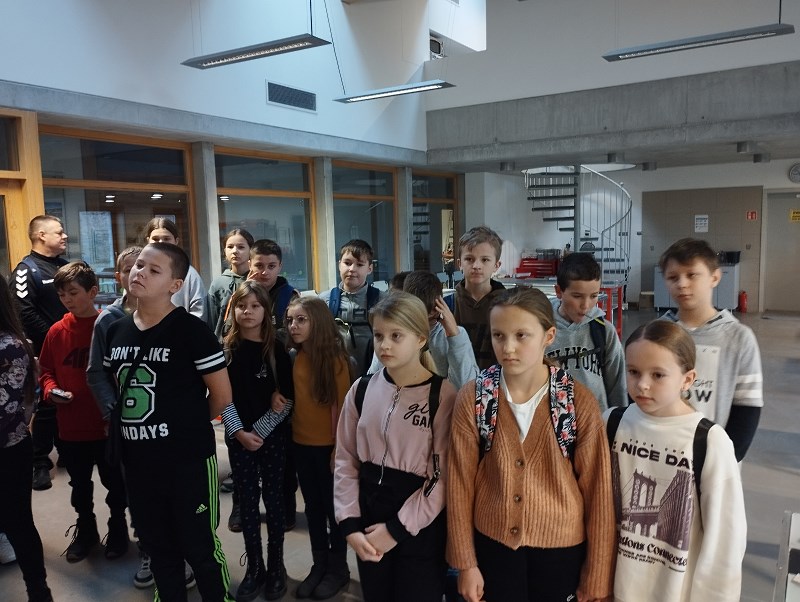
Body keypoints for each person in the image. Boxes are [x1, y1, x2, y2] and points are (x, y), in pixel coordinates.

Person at [447, 287, 615, 602]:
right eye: (498, 335)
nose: (508, 347)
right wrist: (465, 563)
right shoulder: (475, 397)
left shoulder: (576, 401)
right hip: (493, 546)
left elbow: (598, 492)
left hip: (561, 551)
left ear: (548, 336)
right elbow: (459, 483)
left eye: (521, 335)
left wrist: (597, 573)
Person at [103, 242, 234, 601]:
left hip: (187, 461)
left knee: (200, 547)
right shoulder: (116, 331)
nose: (140, 273)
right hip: (138, 462)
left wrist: (186, 424)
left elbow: (222, 397)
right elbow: (119, 388)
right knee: (158, 546)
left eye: (153, 270)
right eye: (139, 265)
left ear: (175, 285)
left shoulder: (192, 331)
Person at [606, 320, 746, 601]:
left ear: (688, 379)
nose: (642, 384)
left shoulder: (709, 441)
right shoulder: (611, 422)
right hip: (613, 589)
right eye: (633, 372)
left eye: (658, 375)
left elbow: (725, 540)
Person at [334, 292, 457, 602]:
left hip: (420, 525)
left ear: (420, 339)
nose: (384, 345)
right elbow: (345, 460)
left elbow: (442, 477)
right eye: (379, 335)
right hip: (368, 516)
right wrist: (349, 523)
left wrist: (396, 530)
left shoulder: (442, 396)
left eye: (396, 336)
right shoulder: (361, 389)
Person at [38, 261, 129, 563]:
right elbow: (46, 371)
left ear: (92, 292)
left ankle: (118, 529)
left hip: (105, 425)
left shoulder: (109, 326)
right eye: (62, 294)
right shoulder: (56, 331)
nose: (67, 299)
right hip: (71, 426)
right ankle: (86, 530)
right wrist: (51, 390)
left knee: (115, 483)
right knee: (79, 485)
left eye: (73, 292)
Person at [219, 281, 293, 602]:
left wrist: (258, 432)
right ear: (233, 310)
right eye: (241, 306)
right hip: (239, 439)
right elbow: (222, 398)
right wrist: (240, 433)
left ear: (266, 310)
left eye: (255, 306)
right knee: (247, 504)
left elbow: (286, 401)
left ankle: (276, 566)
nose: (247, 312)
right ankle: (255, 566)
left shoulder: (277, 351)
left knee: (274, 502)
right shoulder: (226, 351)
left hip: (272, 438)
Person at [658, 238, 763, 461]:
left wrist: (725, 461)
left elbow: (747, 408)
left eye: (692, 275)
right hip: (660, 455)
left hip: (712, 460)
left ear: (714, 277)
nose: (682, 284)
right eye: (673, 277)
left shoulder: (738, 338)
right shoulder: (657, 333)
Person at [285, 297, 352, 599]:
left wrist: (338, 451)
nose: (293, 326)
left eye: (301, 320)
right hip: (302, 445)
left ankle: (338, 569)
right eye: (290, 320)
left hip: (329, 449)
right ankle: (319, 564)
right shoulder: (296, 355)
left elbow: (343, 411)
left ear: (319, 323)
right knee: (312, 508)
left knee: (333, 511)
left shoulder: (336, 360)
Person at [0, 276, 53, 602]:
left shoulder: (10, 346)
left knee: (18, 523)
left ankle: (39, 590)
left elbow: (6, 409)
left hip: (9, 449)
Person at [243, 238, 300, 533]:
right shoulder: (240, 295)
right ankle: (243, 507)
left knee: (283, 458)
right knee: (246, 463)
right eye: (259, 265)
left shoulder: (291, 296)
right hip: (248, 385)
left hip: (280, 378)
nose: (264, 272)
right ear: (249, 265)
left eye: (271, 266)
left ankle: (286, 507)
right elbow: (226, 332)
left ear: (280, 266)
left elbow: (296, 336)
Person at [9, 214, 69, 491]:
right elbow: (23, 312)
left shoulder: (66, 266)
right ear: (41, 235)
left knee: (69, 398)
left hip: (70, 346)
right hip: (45, 348)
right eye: (59, 232)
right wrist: (55, 336)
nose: (64, 236)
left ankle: (67, 451)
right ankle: (41, 463)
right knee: (46, 405)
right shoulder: (26, 270)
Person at [368, 270, 478, 390]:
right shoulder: (394, 335)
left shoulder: (455, 335)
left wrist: (454, 336)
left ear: (437, 309)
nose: (420, 324)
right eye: (414, 315)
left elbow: (467, 388)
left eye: (427, 317)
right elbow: (373, 381)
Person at [546, 252, 627, 411]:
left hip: (597, 419)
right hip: (552, 421)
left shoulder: (604, 331)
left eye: (594, 296)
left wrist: (618, 420)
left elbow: (617, 385)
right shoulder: (540, 329)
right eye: (577, 296)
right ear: (559, 291)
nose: (586, 305)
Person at [319, 239, 386, 376]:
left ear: (370, 268)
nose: (352, 269)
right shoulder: (324, 300)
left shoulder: (383, 301)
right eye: (347, 263)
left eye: (359, 264)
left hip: (372, 377)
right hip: (334, 376)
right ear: (339, 265)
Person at [453, 226, 507, 369]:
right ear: (459, 263)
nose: (476, 265)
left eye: (485, 260)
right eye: (469, 259)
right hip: (456, 381)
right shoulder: (447, 305)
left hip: (498, 379)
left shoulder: (509, 305)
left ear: (496, 265)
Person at [142, 217, 208, 322]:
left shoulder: (189, 275)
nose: (161, 243)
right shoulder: (139, 272)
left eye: (166, 239)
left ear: (176, 241)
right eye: (155, 239)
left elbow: (199, 313)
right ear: (148, 240)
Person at [208, 228, 254, 341]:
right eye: (230, 247)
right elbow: (212, 321)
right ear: (224, 251)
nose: (235, 251)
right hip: (223, 344)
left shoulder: (256, 281)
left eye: (241, 247)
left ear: (251, 250)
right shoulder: (218, 284)